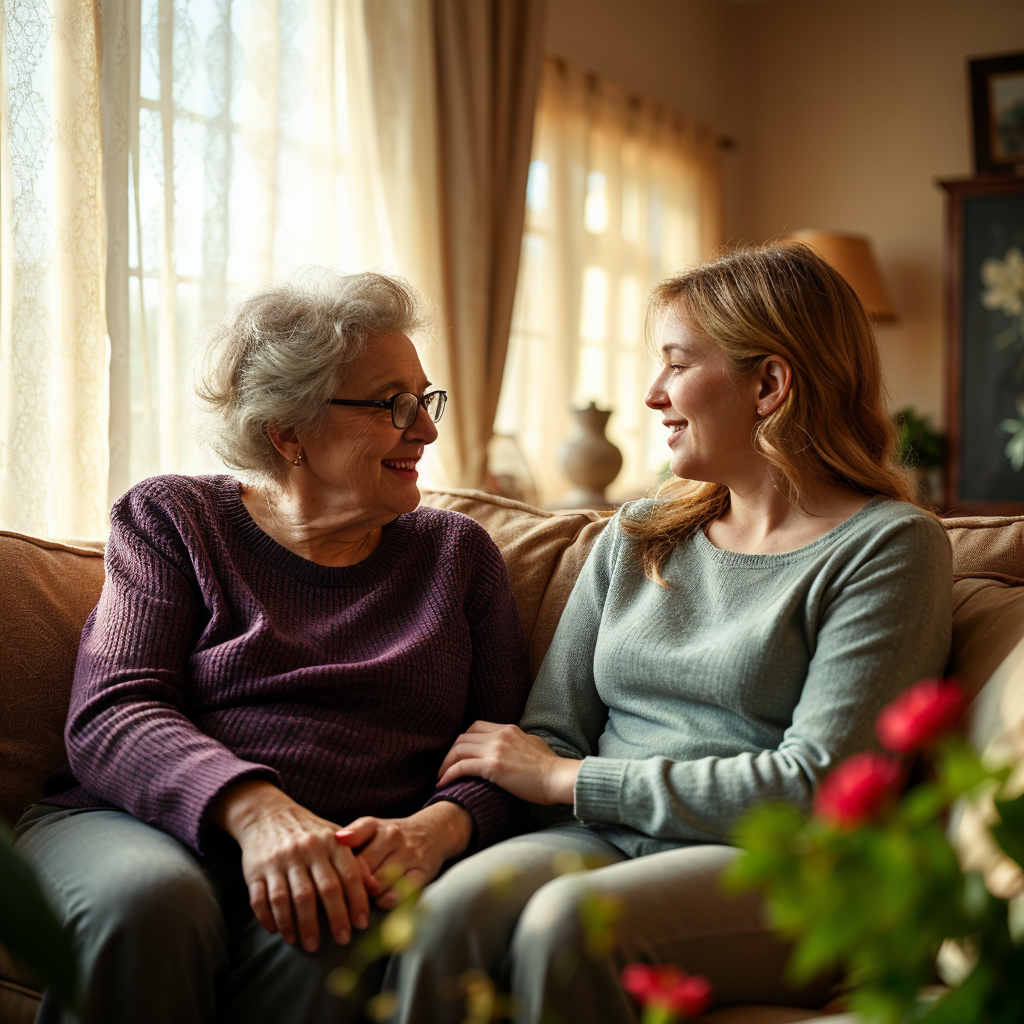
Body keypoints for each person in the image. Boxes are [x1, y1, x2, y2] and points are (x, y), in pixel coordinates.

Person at [384, 242, 954, 1023]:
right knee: (449, 912)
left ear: (770, 384)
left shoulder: (889, 547)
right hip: (606, 838)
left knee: (571, 928)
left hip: (782, 870)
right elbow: (554, 728)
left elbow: (820, 788)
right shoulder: (640, 531)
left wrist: (571, 782)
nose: (653, 394)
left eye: (678, 364)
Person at [13, 270, 531, 1024]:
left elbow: (507, 749)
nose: (425, 429)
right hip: (132, 825)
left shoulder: (457, 556)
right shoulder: (176, 519)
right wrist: (258, 813)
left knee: (334, 935)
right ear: (287, 432)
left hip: (337, 857)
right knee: (149, 904)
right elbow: (114, 711)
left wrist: (438, 825)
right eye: (394, 404)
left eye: (426, 399)